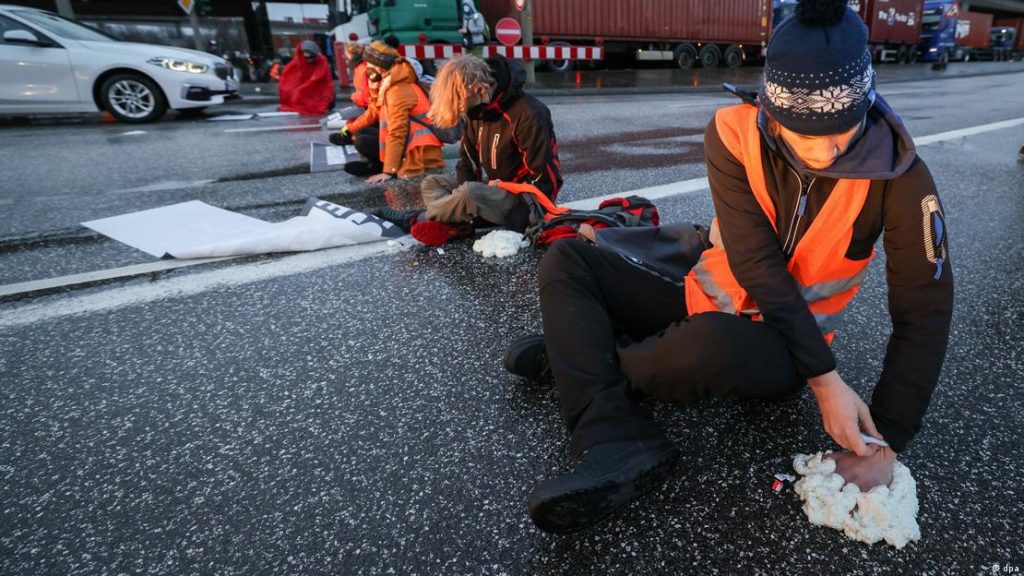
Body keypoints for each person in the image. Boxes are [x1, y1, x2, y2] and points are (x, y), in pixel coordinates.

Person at [502, 0, 954, 534]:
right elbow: (755, 263)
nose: (825, 150)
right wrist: (832, 385)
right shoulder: (733, 134)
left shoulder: (901, 179)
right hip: (704, 294)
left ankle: (581, 356)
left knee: (704, 346)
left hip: (785, 350)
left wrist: (885, 440)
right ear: (773, 109)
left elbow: (924, 312)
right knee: (569, 258)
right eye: (804, 132)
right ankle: (614, 436)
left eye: (843, 129)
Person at [373, 54, 563, 246]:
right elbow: (467, 163)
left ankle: (415, 218)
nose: (463, 111)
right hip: (495, 185)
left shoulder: (529, 114)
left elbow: (548, 179)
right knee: (432, 183)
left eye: (461, 104)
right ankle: (457, 224)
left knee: (469, 193)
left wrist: (520, 216)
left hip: (523, 200)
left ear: (480, 89)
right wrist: (462, 207)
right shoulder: (478, 110)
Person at [337, 41, 445, 183]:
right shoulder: (389, 82)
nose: (367, 69)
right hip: (410, 145)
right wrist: (350, 129)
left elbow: (397, 132)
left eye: (369, 65)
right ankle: (379, 165)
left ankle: (383, 167)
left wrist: (389, 171)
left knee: (362, 141)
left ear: (379, 66)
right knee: (362, 133)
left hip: (417, 154)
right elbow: (374, 111)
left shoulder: (397, 90)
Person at [278, 40, 335, 116]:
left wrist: (327, 97)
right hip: (304, 91)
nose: (309, 60)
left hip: (317, 89)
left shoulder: (322, 61)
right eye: (306, 57)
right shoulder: (297, 62)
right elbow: (289, 78)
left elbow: (326, 81)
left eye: (311, 57)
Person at [345, 42, 371, 109]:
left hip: (368, 106)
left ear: (350, 54)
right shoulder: (362, 65)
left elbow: (366, 94)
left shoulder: (361, 68)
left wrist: (354, 97)